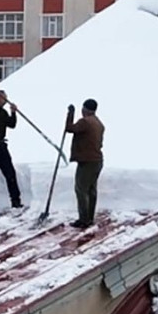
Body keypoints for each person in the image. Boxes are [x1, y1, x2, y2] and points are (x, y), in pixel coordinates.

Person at [65, 98, 106, 228]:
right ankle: (89, 217)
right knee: (91, 190)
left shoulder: (85, 122)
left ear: (84, 109)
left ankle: (84, 219)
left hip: (87, 161)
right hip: (97, 160)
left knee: (81, 189)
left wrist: (70, 114)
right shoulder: (99, 123)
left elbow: (70, 128)